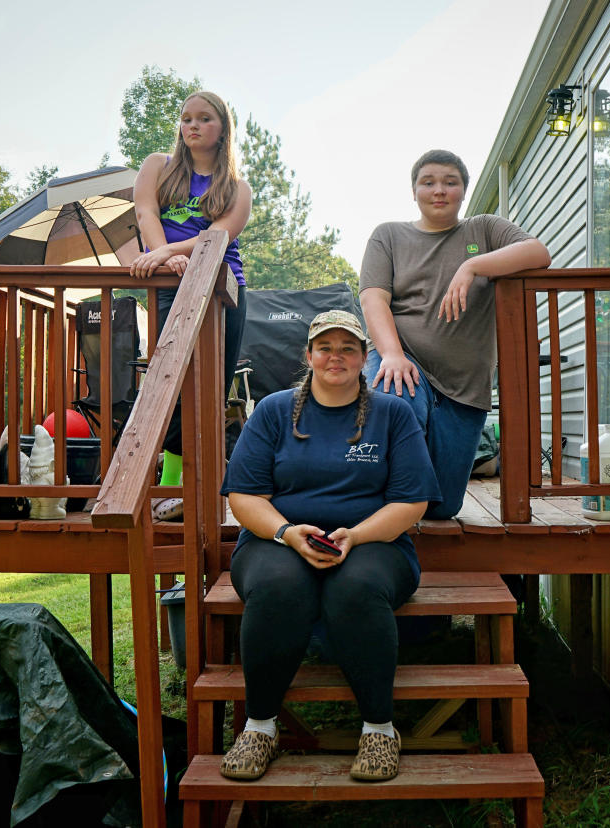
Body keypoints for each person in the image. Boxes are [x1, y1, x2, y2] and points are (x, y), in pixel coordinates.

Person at [218, 310, 439, 782]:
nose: (335, 357)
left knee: (354, 589)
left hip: (374, 539)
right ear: (309, 355)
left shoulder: (393, 414)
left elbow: (412, 501)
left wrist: (356, 535)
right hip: (276, 537)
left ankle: (379, 729)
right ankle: (260, 727)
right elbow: (244, 496)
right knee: (278, 587)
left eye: (348, 348)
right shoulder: (274, 411)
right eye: (325, 347)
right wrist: (286, 533)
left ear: (364, 357)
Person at [360, 149, 551, 519]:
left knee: (442, 505)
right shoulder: (388, 236)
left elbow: (538, 252)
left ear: (463, 190)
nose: (439, 190)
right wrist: (393, 355)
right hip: (404, 356)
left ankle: (403, 503)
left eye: (450, 182)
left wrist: (472, 265)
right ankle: (376, 513)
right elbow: (373, 300)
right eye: (428, 182)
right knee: (395, 406)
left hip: (464, 384)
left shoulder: (484, 229)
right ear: (413, 190)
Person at [130, 90, 253, 521]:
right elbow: (145, 212)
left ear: (222, 129)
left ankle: (199, 487)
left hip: (224, 288)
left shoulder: (237, 187)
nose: (192, 126)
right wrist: (166, 257)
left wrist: (165, 254)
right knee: (172, 378)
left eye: (204, 119)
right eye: (186, 119)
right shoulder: (157, 166)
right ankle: (172, 485)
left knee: (211, 388)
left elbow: (217, 236)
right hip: (168, 285)